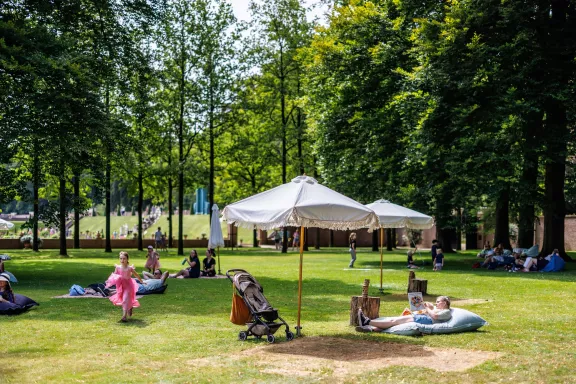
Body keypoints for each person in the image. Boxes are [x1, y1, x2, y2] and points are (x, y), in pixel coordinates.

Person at [356, 296, 452, 332]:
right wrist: (426, 305)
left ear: (444, 303)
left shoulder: (446, 312)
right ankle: (371, 329)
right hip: (421, 317)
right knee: (395, 323)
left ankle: (367, 322)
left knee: (394, 321)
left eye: (438, 301)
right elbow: (430, 309)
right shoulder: (437, 308)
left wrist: (428, 308)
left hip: (425, 320)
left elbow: (435, 316)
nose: (436, 303)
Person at [105, 251, 142, 322]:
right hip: (121, 285)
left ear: (127, 259)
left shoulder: (129, 268)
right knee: (124, 299)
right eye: (121, 258)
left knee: (125, 299)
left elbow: (136, 275)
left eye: (124, 258)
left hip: (129, 285)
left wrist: (141, 281)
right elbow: (114, 275)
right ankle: (130, 307)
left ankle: (124, 316)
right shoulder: (118, 267)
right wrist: (110, 281)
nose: (122, 260)